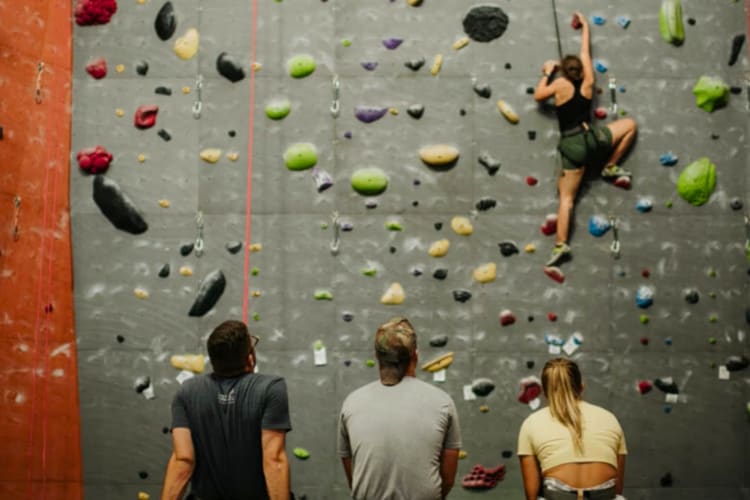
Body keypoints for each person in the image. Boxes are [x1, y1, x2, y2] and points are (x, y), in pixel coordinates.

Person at [534, 12, 637, 267]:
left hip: (573, 147)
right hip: (593, 139)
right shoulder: (588, 81)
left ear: (564, 73)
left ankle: (561, 245)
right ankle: (611, 165)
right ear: (580, 71)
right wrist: (586, 26)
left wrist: (548, 72)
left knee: (567, 200)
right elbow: (585, 52)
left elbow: (538, 96)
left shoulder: (559, 86)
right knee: (629, 125)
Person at [161, 320, 291, 500]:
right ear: (250, 356)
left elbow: (182, 460)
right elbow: (274, 460)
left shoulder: (186, 392)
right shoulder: (271, 388)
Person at [337, 317, 462, 500]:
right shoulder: (442, 402)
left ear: (377, 356)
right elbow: (447, 479)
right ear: (415, 355)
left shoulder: (351, 403)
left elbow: (354, 478)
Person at [517, 358, 627, 500]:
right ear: (581, 386)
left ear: (544, 391)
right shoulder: (610, 419)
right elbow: (617, 489)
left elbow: (531, 495)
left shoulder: (531, 423)